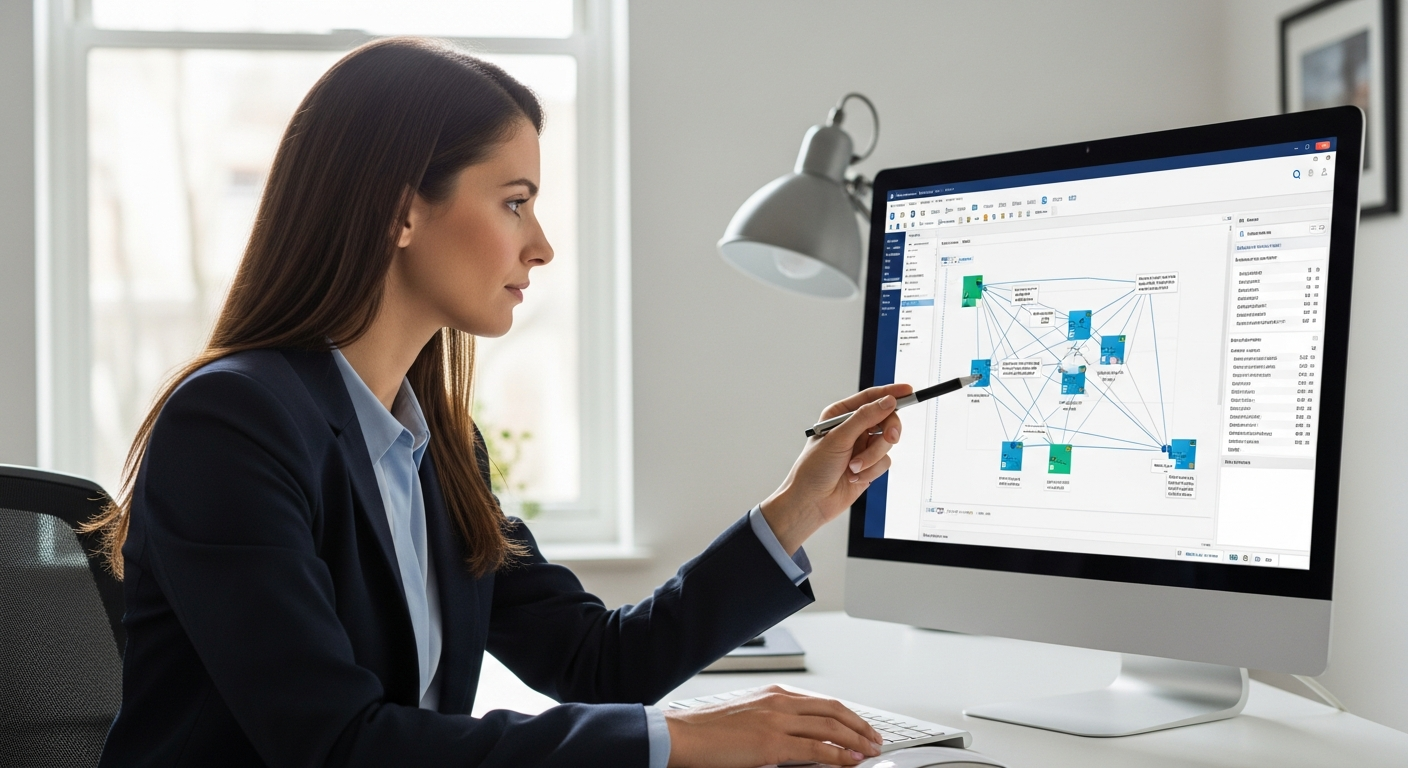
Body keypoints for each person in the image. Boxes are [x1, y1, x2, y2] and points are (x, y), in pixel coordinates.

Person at [88, 38, 911, 768]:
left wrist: (799, 506)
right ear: (401, 208)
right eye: (514, 201)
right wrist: (681, 741)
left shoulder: (437, 450)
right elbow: (335, 744)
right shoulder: (233, 425)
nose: (541, 244)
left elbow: (598, 661)